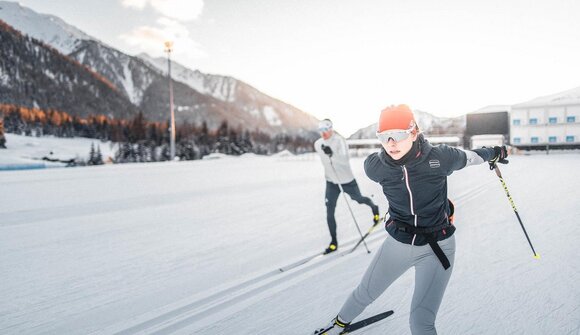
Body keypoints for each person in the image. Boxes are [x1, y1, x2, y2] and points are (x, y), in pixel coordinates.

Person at [313, 105, 508, 335]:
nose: (391, 143)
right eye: (384, 137)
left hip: (437, 248)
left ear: (414, 132)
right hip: (398, 243)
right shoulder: (375, 166)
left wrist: (494, 152)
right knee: (365, 292)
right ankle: (337, 326)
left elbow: (471, 157)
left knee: (420, 322)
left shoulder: (440, 158)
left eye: (398, 134)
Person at [314, 119, 380, 254]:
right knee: (329, 210)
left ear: (331, 129)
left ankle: (374, 207)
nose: (323, 133)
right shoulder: (318, 144)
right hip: (331, 182)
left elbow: (344, 160)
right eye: (320, 131)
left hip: (347, 181)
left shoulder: (339, 141)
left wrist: (331, 153)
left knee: (359, 199)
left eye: (325, 130)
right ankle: (333, 242)